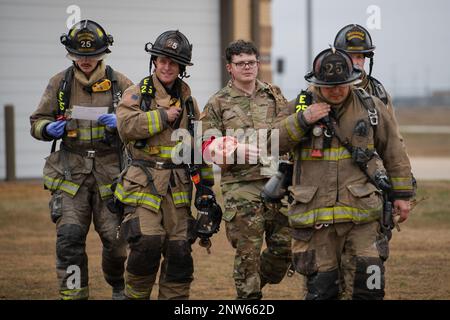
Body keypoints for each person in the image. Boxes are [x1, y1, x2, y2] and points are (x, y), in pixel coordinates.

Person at [274, 47, 414, 299]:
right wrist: (302, 120)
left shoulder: (371, 108)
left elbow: (394, 150)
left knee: (368, 290)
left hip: (363, 218)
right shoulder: (300, 106)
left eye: (342, 84)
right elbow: (270, 143)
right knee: (323, 292)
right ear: (317, 83)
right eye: (329, 86)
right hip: (315, 222)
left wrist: (402, 195)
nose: (336, 90)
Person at [30, 20, 133, 300]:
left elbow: (140, 125)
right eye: (80, 55)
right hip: (69, 175)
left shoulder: (121, 84)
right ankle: (74, 296)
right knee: (70, 239)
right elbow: (37, 121)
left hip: (111, 175)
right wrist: (47, 128)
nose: (86, 61)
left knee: (116, 242)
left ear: (103, 53)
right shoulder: (59, 83)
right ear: (71, 54)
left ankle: (118, 285)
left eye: (91, 55)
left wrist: (122, 123)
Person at [113, 30, 216, 300]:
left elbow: (198, 148)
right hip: (142, 184)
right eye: (162, 60)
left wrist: (206, 189)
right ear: (154, 62)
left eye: (173, 62)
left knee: (179, 254)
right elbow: (125, 127)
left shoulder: (190, 103)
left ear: (182, 67)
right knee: (146, 244)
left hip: (179, 189)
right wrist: (161, 116)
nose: (167, 66)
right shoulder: (136, 94)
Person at [200, 40, 292, 300]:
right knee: (247, 253)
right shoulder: (218, 102)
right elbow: (207, 145)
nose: (247, 67)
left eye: (251, 62)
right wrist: (233, 151)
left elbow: (288, 131)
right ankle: (248, 298)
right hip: (241, 186)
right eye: (240, 63)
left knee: (284, 248)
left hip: (276, 181)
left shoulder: (274, 94)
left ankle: (255, 281)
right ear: (230, 67)